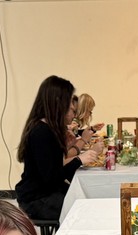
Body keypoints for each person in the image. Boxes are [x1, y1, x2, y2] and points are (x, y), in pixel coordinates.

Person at [15, 75, 100, 220]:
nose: (73, 108)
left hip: (46, 191)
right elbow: (52, 178)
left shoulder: (48, 128)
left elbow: (55, 170)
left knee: (88, 197)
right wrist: (79, 160)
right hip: (36, 199)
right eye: (69, 102)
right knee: (86, 209)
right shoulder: (41, 132)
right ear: (58, 103)